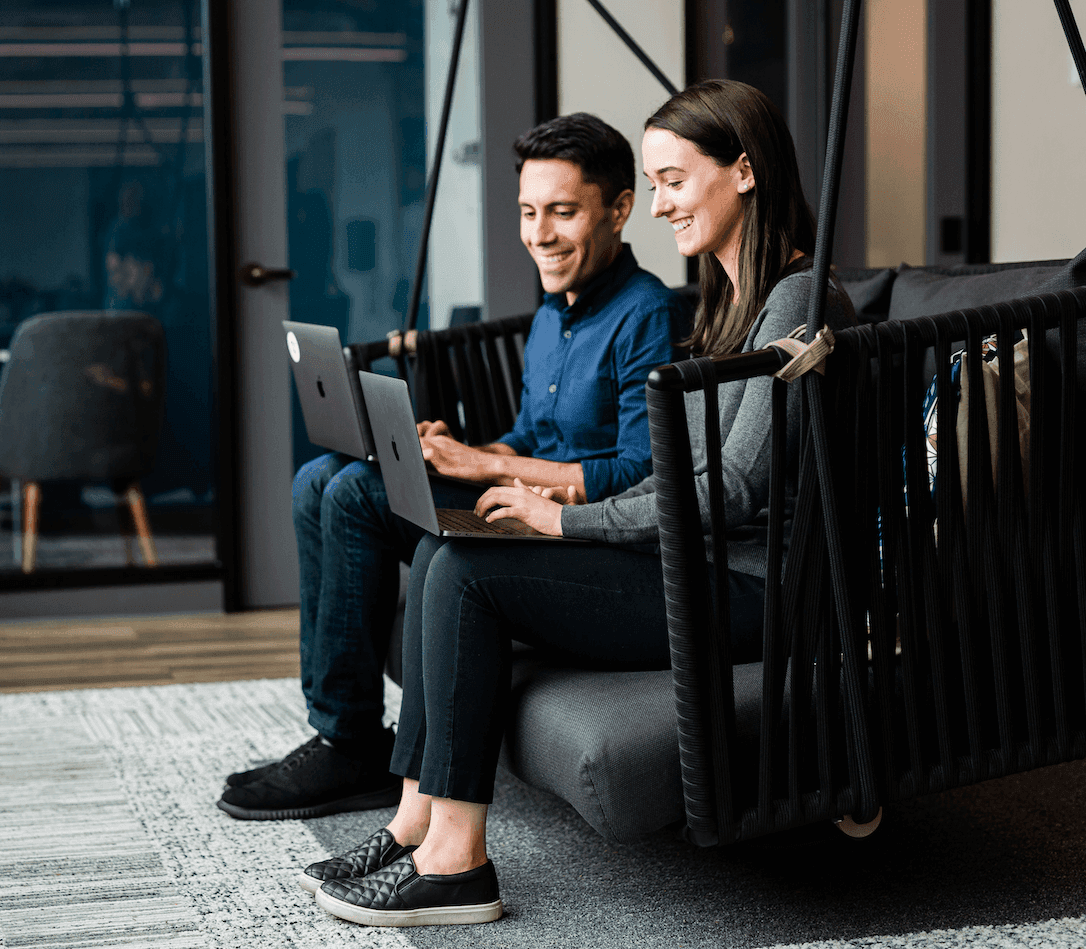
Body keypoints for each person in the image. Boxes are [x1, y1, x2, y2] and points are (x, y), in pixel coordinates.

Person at [303, 79, 857, 927]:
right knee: (446, 547)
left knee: (465, 572)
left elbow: (733, 488)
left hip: (756, 589)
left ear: (744, 172)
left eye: (674, 180)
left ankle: (456, 863)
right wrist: (541, 501)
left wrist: (564, 518)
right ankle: (419, 823)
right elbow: (680, 475)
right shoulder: (730, 301)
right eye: (656, 182)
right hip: (700, 563)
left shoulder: (797, 299)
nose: (662, 204)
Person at [217, 113, 690, 821]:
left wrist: (477, 463)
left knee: (352, 495)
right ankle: (336, 726)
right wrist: (462, 449)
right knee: (318, 479)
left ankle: (349, 742)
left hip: (578, 537)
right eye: (528, 212)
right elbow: (535, 433)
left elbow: (636, 472)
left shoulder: (646, 313)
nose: (539, 234)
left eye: (563, 212)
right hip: (515, 504)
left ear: (620, 209)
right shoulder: (552, 315)